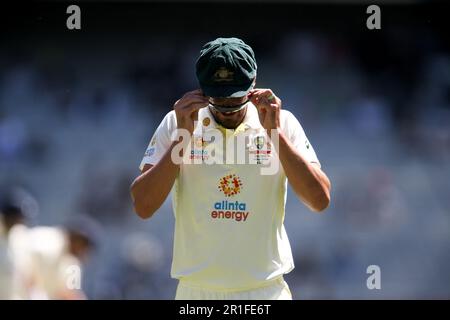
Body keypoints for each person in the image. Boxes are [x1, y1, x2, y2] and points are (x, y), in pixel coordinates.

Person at [130, 37, 331, 300]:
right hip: (197, 292)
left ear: (254, 83)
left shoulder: (282, 122)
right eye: (219, 101)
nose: (227, 111)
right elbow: (143, 206)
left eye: (236, 100)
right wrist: (182, 138)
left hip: (265, 291)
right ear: (202, 89)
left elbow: (319, 200)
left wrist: (275, 135)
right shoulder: (177, 122)